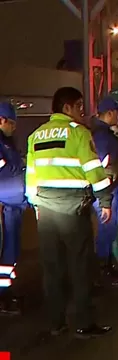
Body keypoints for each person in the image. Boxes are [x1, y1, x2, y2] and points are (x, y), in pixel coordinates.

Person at [26, 87, 113, 338]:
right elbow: (94, 171)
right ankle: (83, 323)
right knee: (80, 265)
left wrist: (36, 204)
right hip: (74, 209)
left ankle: (56, 322)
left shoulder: (36, 136)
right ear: (67, 108)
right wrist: (105, 200)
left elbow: (30, 176)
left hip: (46, 209)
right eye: (79, 106)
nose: (82, 112)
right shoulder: (78, 133)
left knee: (52, 268)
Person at [91, 97, 118, 279]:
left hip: (108, 187)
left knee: (108, 228)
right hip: (106, 189)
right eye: (117, 113)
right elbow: (99, 166)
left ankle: (104, 265)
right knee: (106, 227)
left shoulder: (103, 133)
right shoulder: (102, 136)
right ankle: (102, 268)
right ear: (110, 113)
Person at [0, 102, 28, 315]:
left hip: (13, 207)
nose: (14, 127)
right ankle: (2, 298)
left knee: (11, 251)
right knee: (4, 252)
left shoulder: (7, 143)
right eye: (12, 123)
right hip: (4, 206)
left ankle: (6, 292)